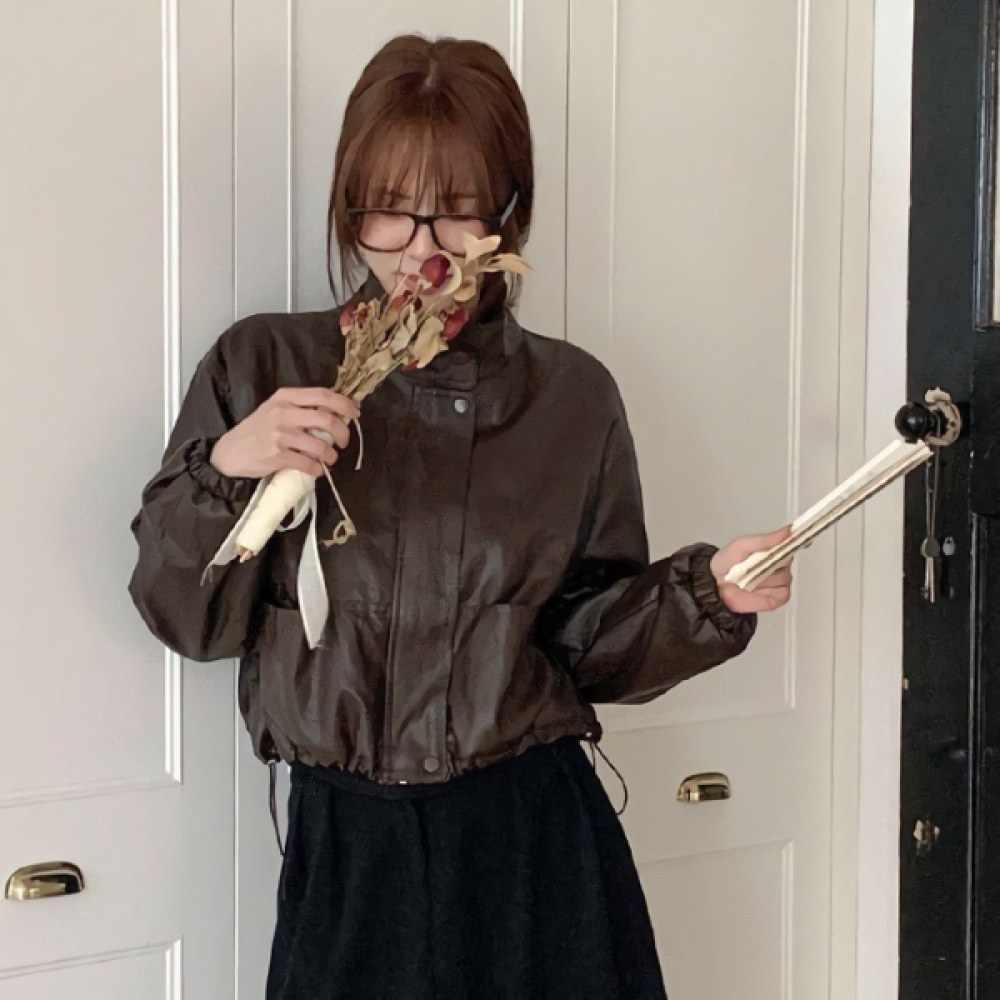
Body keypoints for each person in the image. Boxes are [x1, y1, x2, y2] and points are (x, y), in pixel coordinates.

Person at [129, 33, 792, 1000]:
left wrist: (705, 598)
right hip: (348, 847)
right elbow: (188, 620)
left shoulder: (572, 396)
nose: (422, 247)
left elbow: (588, 647)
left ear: (508, 211)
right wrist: (231, 466)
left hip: (532, 842)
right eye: (388, 209)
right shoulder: (264, 366)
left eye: (456, 208)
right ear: (349, 206)